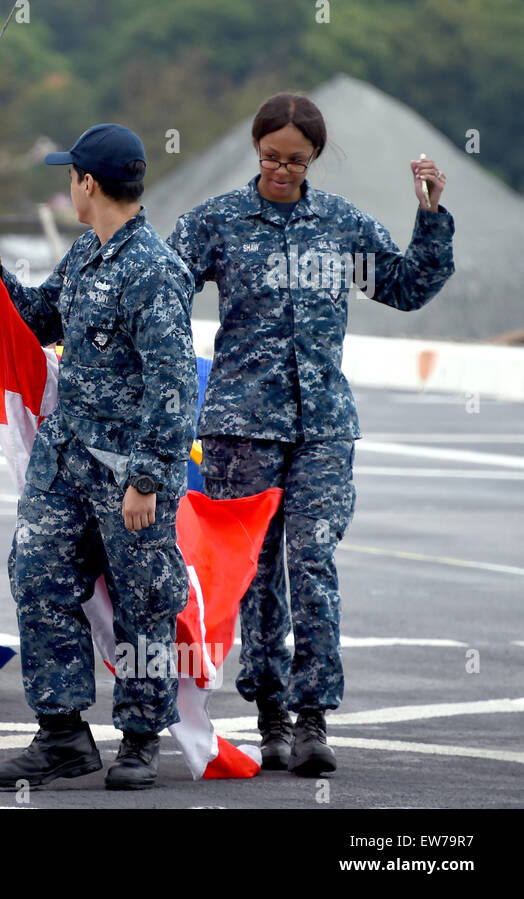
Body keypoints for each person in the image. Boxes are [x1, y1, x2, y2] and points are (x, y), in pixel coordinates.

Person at [167, 92, 454, 776]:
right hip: (242, 427)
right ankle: (268, 714)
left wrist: (431, 215)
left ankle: (313, 717)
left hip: (322, 426)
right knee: (258, 572)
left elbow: (407, 286)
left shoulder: (340, 226)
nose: (282, 170)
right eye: (270, 156)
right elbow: (162, 288)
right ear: (255, 149)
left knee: (315, 564)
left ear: (314, 158)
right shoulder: (218, 221)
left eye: (295, 160)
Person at [0, 124, 198, 791]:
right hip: (66, 464)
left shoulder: (153, 268)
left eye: (70, 176)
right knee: (37, 572)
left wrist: (146, 479)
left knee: (142, 600)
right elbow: (42, 318)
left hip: (125, 471)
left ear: (89, 184)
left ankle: (139, 740)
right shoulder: (86, 254)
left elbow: (172, 384)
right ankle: (61, 734)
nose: (68, 186)